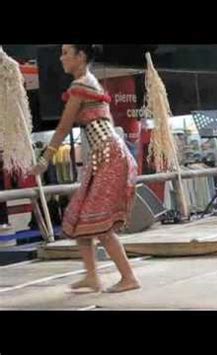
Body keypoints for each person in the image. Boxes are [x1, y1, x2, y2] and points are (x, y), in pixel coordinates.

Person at [31, 45, 141, 292]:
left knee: (99, 224)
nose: (61, 58)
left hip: (108, 156)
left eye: (66, 53)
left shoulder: (80, 86)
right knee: (80, 218)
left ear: (81, 57)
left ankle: (129, 278)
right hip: (106, 155)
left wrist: (45, 159)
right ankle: (92, 277)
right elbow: (107, 123)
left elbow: (63, 127)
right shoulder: (91, 83)